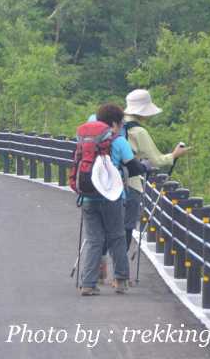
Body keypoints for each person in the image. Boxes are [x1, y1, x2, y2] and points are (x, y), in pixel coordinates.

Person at [122, 89, 190, 249]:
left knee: (108, 230)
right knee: (125, 230)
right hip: (130, 185)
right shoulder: (139, 131)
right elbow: (158, 161)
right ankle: (119, 272)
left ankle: (100, 263)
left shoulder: (116, 125)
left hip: (107, 184)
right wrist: (174, 154)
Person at [79, 103, 134, 295]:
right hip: (112, 197)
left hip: (87, 196)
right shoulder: (118, 141)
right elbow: (133, 166)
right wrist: (146, 167)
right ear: (114, 123)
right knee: (117, 237)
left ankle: (88, 284)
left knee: (94, 240)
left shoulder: (86, 140)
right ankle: (120, 280)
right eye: (120, 124)